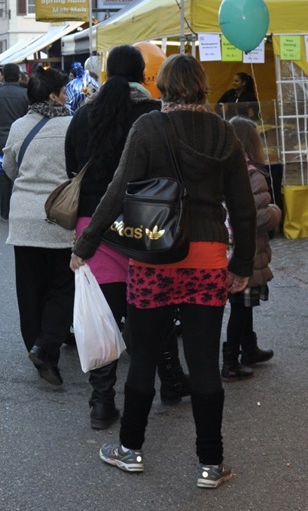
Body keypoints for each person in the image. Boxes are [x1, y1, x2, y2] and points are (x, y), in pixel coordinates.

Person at [71, 54, 257, 490]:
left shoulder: (149, 128)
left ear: (164, 87)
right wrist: (242, 263)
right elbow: (244, 207)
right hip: (208, 257)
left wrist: (86, 243)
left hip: (154, 257)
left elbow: (118, 190)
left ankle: (130, 449)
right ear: (203, 86)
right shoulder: (224, 132)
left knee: (146, 354)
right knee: (204, 361)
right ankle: (211, 463)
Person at [65, 44, 189, 430]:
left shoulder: (85, 115)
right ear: (143, 75)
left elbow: (72, 167)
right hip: (147, 223)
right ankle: (170, 380)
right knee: (155, 308)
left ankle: (101, 402)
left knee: (103, 318)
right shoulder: (155, 115)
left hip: (94, 225)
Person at [3, 67, 75, 388]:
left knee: (29, 289)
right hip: (60, 217)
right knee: (62, 285)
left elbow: (9, 168)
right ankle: (46, 346)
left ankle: (37, 347)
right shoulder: (72, 125)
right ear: (52, 95)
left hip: (24, 219)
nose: (67, 95)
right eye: (63, 90)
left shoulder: (20, 126)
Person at [221, 116, 281, 381]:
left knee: (242, 304)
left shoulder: (222, 167)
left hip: (227, 249)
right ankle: (231, 360)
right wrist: (276, 212)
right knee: (241, 307)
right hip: (246, 250)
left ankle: (249, 348)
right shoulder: (251, 174)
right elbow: (258, 217)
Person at [0, 62, 30, 220]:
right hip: (23, 138)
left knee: (3, 176)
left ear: (2, 76)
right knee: (22, 174)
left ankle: (5, 211)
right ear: (18, 76)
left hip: (0, 139)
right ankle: (20, 208)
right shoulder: (26, 94)